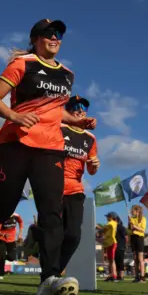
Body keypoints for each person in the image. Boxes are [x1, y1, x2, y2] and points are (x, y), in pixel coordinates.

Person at [0, 18, 96, 295]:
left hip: (51, 148)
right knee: (6, 205)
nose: (55, 38)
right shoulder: (22, 64)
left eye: (59, 34)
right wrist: (14, 116)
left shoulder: (67, 75)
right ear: (36, 38)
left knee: (51, 213)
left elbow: (55, 111)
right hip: (15, 143)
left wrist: (75, 119)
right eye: (49, 34)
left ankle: (48, 282)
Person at [57, 95, 100, 275]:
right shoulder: (58, 129)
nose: (81, 110)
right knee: (52, 234)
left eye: (83, 108)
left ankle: (55, 270)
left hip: (75, 190)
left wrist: (94, 165)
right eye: (76, 107)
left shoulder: (90, 138)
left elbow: (91, 170)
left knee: (74, 236)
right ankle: (49, 273)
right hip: (53, 188)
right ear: (67, 112)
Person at [0, 213, 24, 279]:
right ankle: (1, 274)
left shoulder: (16, 216)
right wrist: (3, 234)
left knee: (12, 258)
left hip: (11, 240)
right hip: (2, 239)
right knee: (2, 257)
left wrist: (20, 233)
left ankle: (2, 257)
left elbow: (21, 222)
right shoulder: (2, 217)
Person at [97, 212, 118, 282]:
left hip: (112, 243)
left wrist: (96, 226)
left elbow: (102, 229)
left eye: (108, 217)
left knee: (112, 260)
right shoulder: (112, 223)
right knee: (110, 260)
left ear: (111, 217)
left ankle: (114, 276)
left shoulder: (111, 223)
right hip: (109, 243)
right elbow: (104, 230)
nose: (107, 218)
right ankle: (112, 275)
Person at [128, 204, 147, 283]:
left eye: (133, 211)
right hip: (133, 238)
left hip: (139, 238)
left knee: (140, 259)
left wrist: (135, 227)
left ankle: (142, 277)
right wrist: (130, 224)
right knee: (135, 259)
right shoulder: (131, 219)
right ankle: (137, 276)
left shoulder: (143, 219)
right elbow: (130, 230)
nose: (131, 212)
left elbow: (142, 230)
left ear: (137, 211)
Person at [115, 216, 128, 281]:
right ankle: (118, 275)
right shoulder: (113, 228)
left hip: (121, 246)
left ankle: (121, 276)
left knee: (120, 261)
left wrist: (126, 245)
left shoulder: (121, 228)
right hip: (115, 246)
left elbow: (126, 237)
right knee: (116, 261)